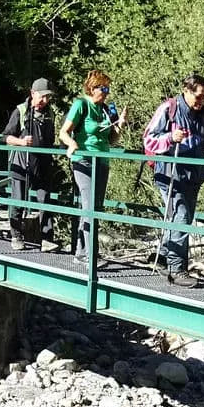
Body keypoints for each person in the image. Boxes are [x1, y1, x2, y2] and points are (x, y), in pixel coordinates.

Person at [142, 73, 204, 287]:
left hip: (193, 175)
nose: (201, 101)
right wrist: (170, 138)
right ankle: (177, 269)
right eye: (198, 96)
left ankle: (165, 259)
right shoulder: (169, 109)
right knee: (182, 217)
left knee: (177, 218)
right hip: (170, 174)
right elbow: (149, 140)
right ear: (186, 91)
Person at [58, 69, 121, 266]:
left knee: (96, 207)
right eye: (103, 88)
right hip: (84, 160)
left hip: (102, 161)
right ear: (92, 88)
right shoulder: (81, 105)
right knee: (89, 207)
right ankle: (91, 256)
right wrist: (72, 144)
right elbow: (63, 132)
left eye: (108, 89)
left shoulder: (105, 109)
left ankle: (81, 252)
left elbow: (111, 140)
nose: (107, 92)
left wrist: (120, 125)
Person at [2, 78, 60, 252]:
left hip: (42, 163)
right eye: (42, 97)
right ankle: (16, 236)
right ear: (32, 93)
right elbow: (6, 137)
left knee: (45, 200)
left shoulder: (50, 113)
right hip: (21, 163)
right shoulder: (20, 111)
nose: (45, 101)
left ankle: (47, 238)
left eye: (48, 97)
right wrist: (20, 142)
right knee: (18, 201)